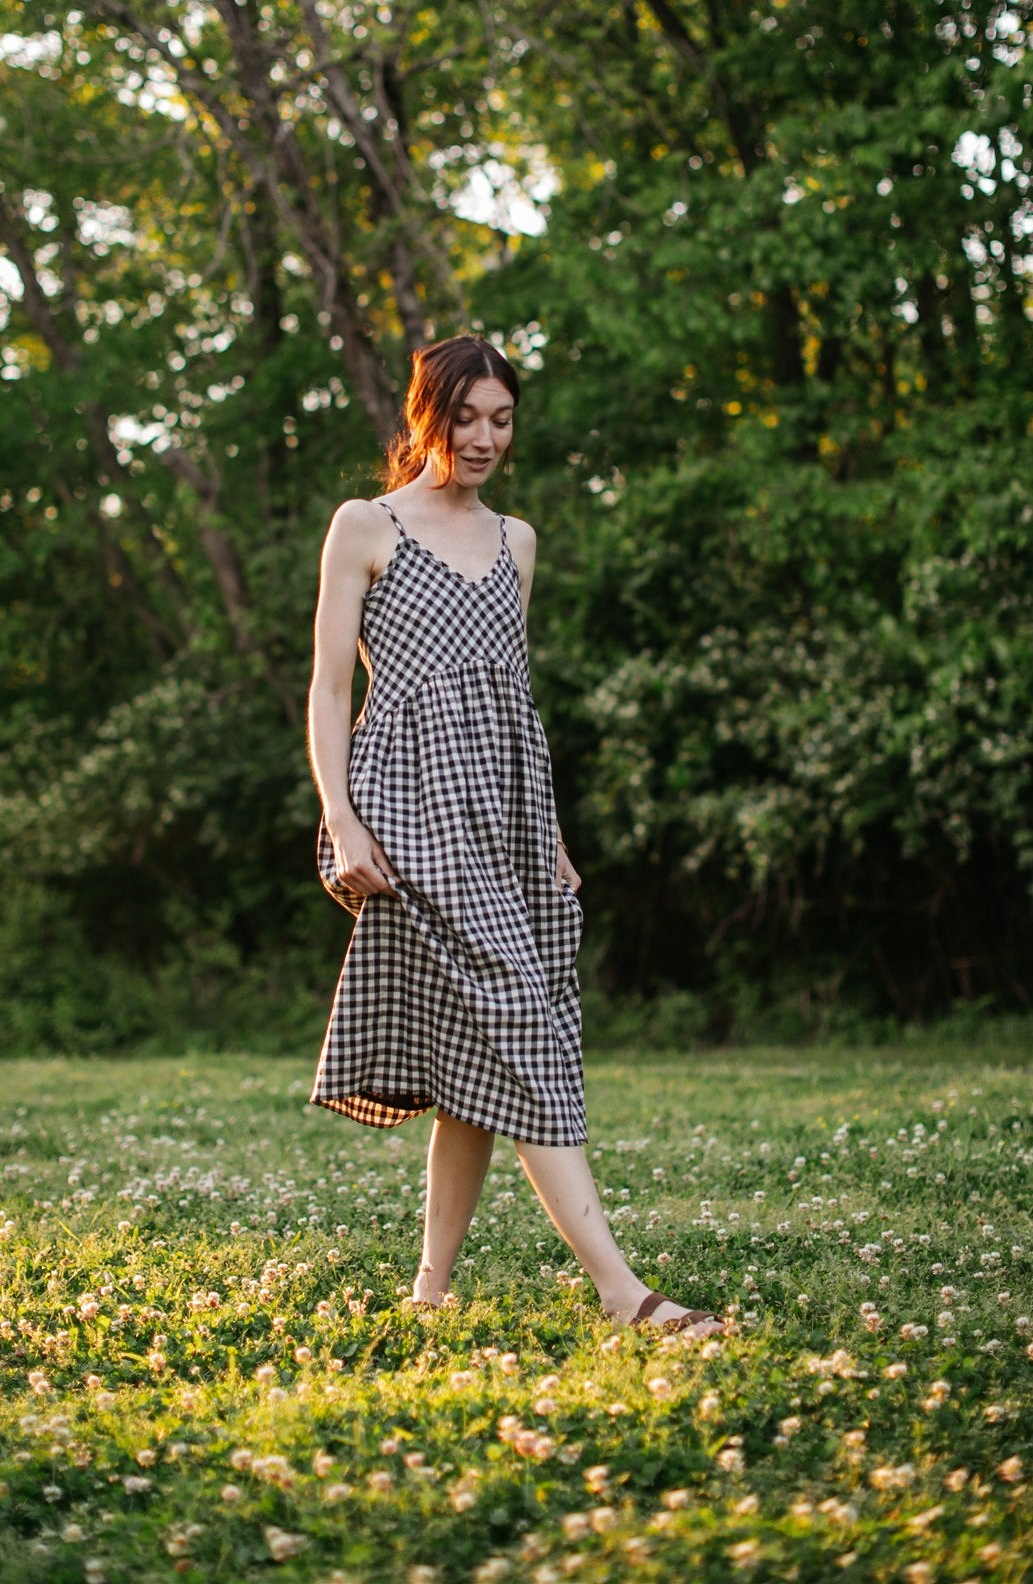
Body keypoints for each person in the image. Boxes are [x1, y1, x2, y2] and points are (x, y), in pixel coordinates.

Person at [306, 333, 724, 1335]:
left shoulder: (516, 541)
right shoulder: (366, 524)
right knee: (523, 1027)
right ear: (427, 414)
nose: (486, 436)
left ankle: (429, 1291)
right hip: (406, 810)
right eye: (467, 416)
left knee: (476, 1052)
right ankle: (624, 1293)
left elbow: (511, 700)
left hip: (507, 815)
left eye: (502, 418)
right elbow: (327, 686)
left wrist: (554, 835)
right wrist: (339, 814)